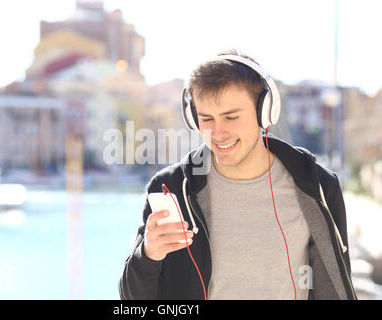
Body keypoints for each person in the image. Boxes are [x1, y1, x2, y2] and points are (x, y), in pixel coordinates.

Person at [119, 48, 357, 300]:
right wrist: (147, 255)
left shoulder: (318, 185)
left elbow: (337, 283)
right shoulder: (172, 188)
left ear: (264, 112)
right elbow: (132, 299)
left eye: (231, 117)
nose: (218, 133)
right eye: (206, 119)